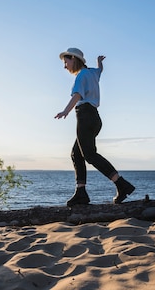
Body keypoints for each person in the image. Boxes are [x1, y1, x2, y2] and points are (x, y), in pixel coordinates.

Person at [55, 47, 135, 207]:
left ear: (73, 59)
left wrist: (66, 111)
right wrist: (99, 63)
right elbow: (100, 71)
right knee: (76, 154)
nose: (65, 66)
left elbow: (77, 95)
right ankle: (81, 192)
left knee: (89, 155)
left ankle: (121, 184)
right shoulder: (92, 73)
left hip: (85, 116)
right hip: (94, 118)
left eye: (66, 62)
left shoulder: (81, 77)